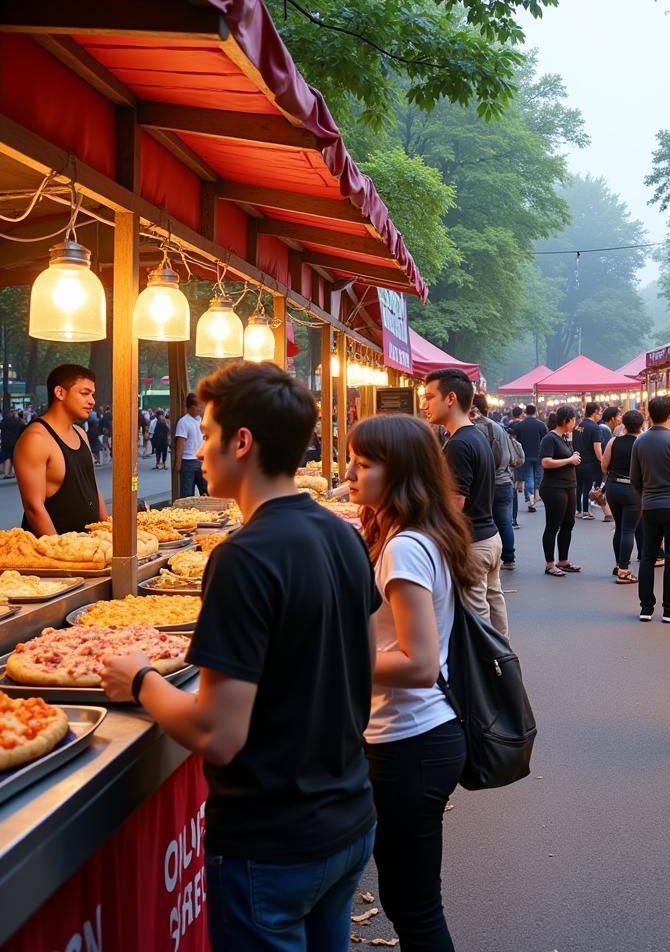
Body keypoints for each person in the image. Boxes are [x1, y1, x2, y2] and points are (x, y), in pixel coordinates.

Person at [100, 361, 379, 951]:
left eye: (207, 433)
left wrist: (141, 678)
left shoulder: (243, 558)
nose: (200, 449)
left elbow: (218, 733)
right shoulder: (342, 534)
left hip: (272, 844)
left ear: (242, 442)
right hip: (348, 817)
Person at [346, 414, 471, 952]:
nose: (349, 473)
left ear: (399, 473)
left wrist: (331, 658)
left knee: (413, 907)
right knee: (408, 900)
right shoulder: (411, 534)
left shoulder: (405, 547)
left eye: (363, 464)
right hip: (414, 739)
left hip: (411, 742)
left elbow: (420, 664)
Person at [422, 368, 508, 636]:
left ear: (450, 398)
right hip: (489, 538)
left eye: (428, 397)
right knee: (493, 607)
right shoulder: (476, 435)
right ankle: (503, 668)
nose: (424, 405)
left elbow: (455, 503)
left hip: (473, 544)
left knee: (476, 620)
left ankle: (486, 673)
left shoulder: (458, 445)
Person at [15, 365, 107, 536]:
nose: (92, 401)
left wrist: (109, 533)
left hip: (91, 546)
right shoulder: (35, 438)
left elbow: (93, 490)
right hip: (57, 553)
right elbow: (34, 508)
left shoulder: (81, 433)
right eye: (85, 393)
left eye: (92, 394)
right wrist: (60, 553)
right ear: (60, 393)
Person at [630, 394, 670, 623]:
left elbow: (635, 478)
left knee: (648, 555)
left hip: (649, 505)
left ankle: (646, 607)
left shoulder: (640, 441)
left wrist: (646, 495)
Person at [471, 392, 516, 572]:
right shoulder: (498, 428)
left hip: (487, 483)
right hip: (504, 480)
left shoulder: (474, 429)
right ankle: (509, 557)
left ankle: (489, 559)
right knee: (505, 521)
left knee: (485, 523)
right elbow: (509, 456)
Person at [602, 409, 644, 584]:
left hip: (613, 486)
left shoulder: (614, 441)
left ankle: (619, 564)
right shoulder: (642, 443)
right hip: (633, 489)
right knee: (628, 530)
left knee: (619, 527)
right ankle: (624, 571)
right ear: (641, 425)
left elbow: (604, 466)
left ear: (623, 424)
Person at [539, 405, 582, 576]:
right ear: (566, 420)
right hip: (553, 487)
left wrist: (572, 457)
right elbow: (546, 462)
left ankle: (563, 561)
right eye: (573, 420)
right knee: (553, 525)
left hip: (568, 485)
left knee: (568, 524)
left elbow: (566, 457)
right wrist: (569, 459)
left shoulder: (565, 437)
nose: (575, 424)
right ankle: (550, 564)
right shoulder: (550, 438)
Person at [511, 403, 547, 513]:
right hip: (538, 454)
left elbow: (515, 440)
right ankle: (536, 496)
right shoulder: (541, 425)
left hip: (525, 455)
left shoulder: (519, 425)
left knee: (528, 476)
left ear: (525, 413)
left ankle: (530, 499)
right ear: (535, 412)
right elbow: (544, 440)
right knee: (538, 476)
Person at [573, 402, 603, 519]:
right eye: (599, 413)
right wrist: (602, 460)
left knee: (579, 486)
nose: (600, 415)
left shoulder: (578, 426)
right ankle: (586, 511)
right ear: (595, 412)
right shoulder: (595, 427)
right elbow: (597, 447)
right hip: (590, 462)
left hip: (577, 460)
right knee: (587, 487)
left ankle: (577, 510)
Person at [175, 393, 208, 498]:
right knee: (187, 493)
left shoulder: (201, 420)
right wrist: (178, 462)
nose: (200, 408)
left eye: (201, 405)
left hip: (202, 461)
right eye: (198, 405)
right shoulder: (184, 422)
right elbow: (180, 443)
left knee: (206, 491)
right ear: (191, 407)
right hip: (188, 462)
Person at [597, 407, 621, 522]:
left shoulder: (603, 427)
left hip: (599, 463)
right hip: (602, 463)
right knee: (602, 486)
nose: (620, 418)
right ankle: (607, 513)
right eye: (618, 416)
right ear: (612, 418)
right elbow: (607, 448)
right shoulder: (605, 429)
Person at [1, 405, 21, 479]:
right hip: (14, 442)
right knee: (13, 457)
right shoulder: (16, 421)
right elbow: (22, 426)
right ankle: (12, 472)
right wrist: (17, 417)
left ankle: (6, 473)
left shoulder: (3, 421)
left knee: (6, 457)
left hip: (4, 442)